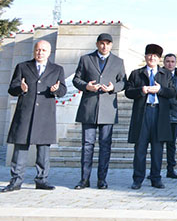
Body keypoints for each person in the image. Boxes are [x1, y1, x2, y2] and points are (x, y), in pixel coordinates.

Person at [1, 40, 66, 193]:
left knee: (43, 150)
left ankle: (42, 180)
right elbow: (12, 88)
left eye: (43, 50)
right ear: (34, 51)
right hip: (25, 113)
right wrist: (20, 88)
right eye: (38, 50)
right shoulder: (23, 67)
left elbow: (62, 90)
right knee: (20, 149)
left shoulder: (57, 69)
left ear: (49, 53)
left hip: (45, 115)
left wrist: (56, 90)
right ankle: (16, 181)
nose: (40, 53)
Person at [72, 33, 127, 190]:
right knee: (87, 145)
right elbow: (76, 79)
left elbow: (123, 81)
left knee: (105, 145)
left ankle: (102, 179)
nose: (104, 46)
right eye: (102, 43)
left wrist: (113, 88)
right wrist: (86, 86)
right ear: (97, 44)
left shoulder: (118, 61)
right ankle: (84, 179)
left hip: (108, 109)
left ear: (111, 45)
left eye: (108, 44)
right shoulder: (86, 59)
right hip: (89, 107)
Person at [125, 44, 176, 189]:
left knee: (157, 149)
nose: (152, 58)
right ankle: (138, 179)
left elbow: (172, 92)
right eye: (149, 55)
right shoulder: (136, 73)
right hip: (143, 113)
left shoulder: (165, 74)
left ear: (159, 59)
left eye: (155, 56)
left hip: (159, 113)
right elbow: (128, 91)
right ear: (145, 56)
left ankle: (156, 178)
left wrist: (160, 90)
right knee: (140, 148)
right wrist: (141, 90)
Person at [163, 53, 177, 179]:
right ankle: (154, 170)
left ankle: (171, 169)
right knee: (157, 143)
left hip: (175, 113)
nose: (170, 64)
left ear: (175, 63)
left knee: (171, 143)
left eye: (172, 61)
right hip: (160, 112)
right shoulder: (157, 74)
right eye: (167, 61)